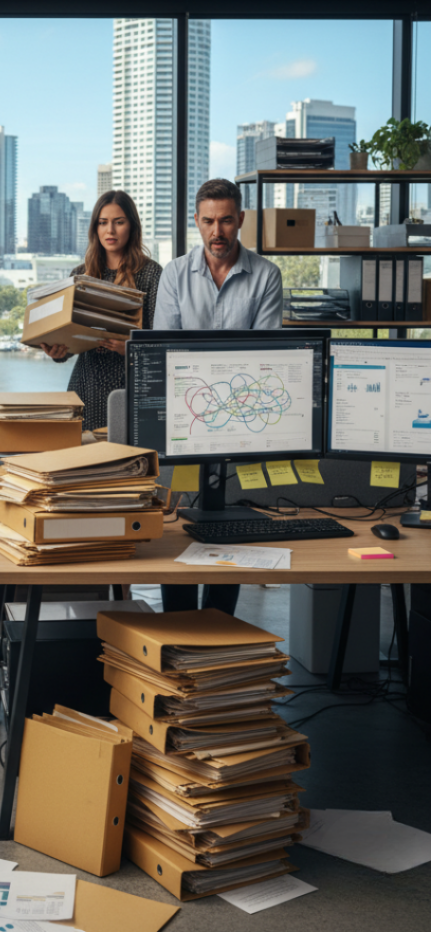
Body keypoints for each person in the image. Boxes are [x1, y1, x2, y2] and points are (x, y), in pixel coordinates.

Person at [153, 177, 284, 615]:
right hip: (185, 423)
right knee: (179, 533)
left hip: (242, 427)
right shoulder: (174, 275)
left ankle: (219, 630)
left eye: (226, 220)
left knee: (231, 530)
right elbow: (163, 356)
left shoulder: (265, 275)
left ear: (241, 220)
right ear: (196, 221)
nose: (217, 232)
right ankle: (178, 630)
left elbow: (265, 359)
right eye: (208, 221)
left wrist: (208, 371)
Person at [40, 190, 162, 432]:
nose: (111, 231)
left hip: (130, 389)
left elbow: (159, 342)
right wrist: (57, 352)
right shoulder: (78, 275)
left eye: (119, 222)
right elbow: (69, 339)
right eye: (103, 223)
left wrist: (129, 347)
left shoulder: (151, 274)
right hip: (84, 388)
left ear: (132, 226)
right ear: (95, 228)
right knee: (83, 465)